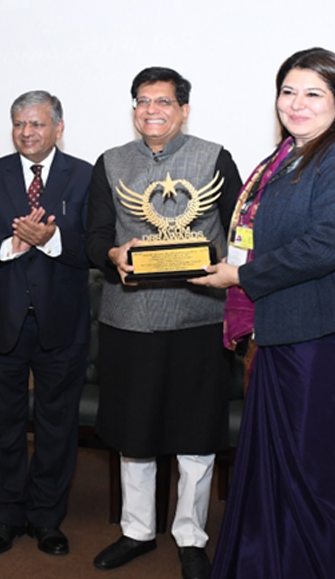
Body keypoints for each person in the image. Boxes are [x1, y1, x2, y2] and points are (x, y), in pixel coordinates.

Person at [191, 48, 335, 579]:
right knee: (276, 474)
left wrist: (240, 276)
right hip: (289, 332)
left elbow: (328, 245)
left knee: (317, 481)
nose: (297, 103)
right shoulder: (287, 158)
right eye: (288, 91)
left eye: (313, 93)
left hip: (333, 342)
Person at [86, 67, 242, 579]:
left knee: (196, 433)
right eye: (142, 101)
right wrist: (113, 254)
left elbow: (242, 227)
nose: (151, 110)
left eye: (163, 101)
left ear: (184, 109)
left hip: (199, 318)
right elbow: (95, 237)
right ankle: (136, 530)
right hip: (130, 319)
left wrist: (229, 266)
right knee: (134, 430)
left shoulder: (215, 158)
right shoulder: (110, 162)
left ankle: (191, 535)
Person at [0, 90, 93, 557]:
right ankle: (7, 516)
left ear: (58, 127)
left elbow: (98, 247)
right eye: (19, 124)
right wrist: (7, 246)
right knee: (2, 426)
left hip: (62, 323)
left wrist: (52, 240)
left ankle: (47, 518)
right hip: (2, 324)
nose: (27, 132)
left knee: (57, 426)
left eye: (36, 123)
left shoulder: (86, 176)